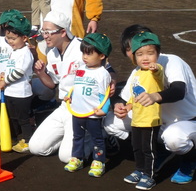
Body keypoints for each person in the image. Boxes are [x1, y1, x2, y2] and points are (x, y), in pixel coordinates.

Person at [104, 24, 196, 185]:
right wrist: (119, 105)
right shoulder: (137, 72)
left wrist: (156, 96)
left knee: (174, 138)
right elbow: (123, 98)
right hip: (158, 122)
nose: (143, 55)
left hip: (187, 120)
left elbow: (179, 90)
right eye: (135, 51)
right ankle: (153, 151)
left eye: (147, 49)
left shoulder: (171, 61)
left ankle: (190, 161)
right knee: (110, 121)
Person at [29, 11, 114, 163]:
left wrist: (111, 83)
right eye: (43, 31)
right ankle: (72, 140)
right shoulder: (52, 53)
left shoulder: (83, 48)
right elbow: (52, 84)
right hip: (64, 106)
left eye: (48, 32)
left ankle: (101, 134)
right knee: (36, 147)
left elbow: (109, 70)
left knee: (67, 157)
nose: (44, 35)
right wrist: (41, 73)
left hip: (85, 109)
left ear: (63, 32)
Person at [63, 33, 112, 177]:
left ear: (102, 56)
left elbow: (105, 95)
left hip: (92, 114)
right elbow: (76, 86)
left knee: (97, 139)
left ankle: (99, 161)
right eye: (84, 53)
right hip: (77, 111)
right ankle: (77, 158)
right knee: (77, 136)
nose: (85, 57)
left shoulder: (103, 74)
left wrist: (104, 110)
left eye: (89, 54)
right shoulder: (81, 69)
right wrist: (69, 96)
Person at [122, 32, 163, 190]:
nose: (145, 58)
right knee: (137, 147)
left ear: (157, 55)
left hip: (150, 119)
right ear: (134, 57)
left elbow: (159, 73)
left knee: (149, 149)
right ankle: (139, 170)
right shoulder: (137, 73)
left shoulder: (155, 72)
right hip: (137, 119)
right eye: (140, 54)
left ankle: (149, 175)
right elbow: (134, 95)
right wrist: (128, 106)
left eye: (150, 53)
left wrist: (156, 67)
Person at [0, 14, 35, 153]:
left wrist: (4, 81)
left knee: (23, 119)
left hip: (21, 94)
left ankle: (28, 141)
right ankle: (14, 138)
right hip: (11, 92)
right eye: (8, 38)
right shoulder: (15, 51)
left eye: (13, 38)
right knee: (13, 118)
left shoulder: (24, 53)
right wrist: (3, 74)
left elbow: (19, 72)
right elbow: (11, 69)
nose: (10, 41)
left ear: (24, 38)